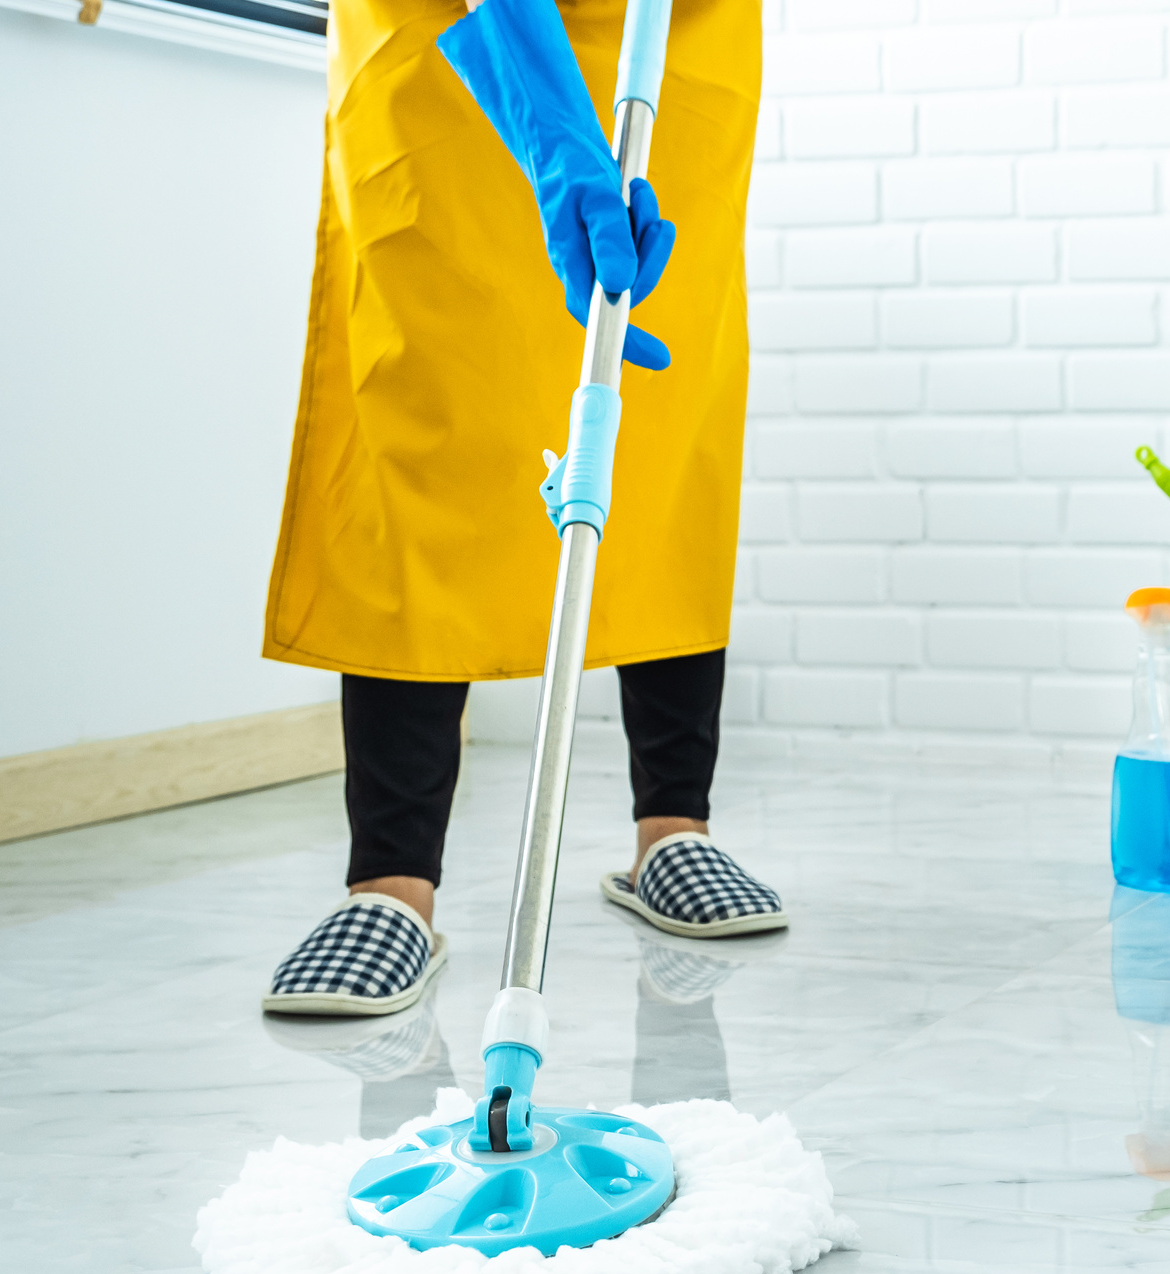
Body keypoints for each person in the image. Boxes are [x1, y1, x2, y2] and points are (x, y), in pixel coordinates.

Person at [260, 0, 781, 1018]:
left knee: (661, 428)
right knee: (424, 419)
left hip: (674, 45)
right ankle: (390, 885)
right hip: (438, 48)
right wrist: (557, 147)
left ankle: (674, 829)